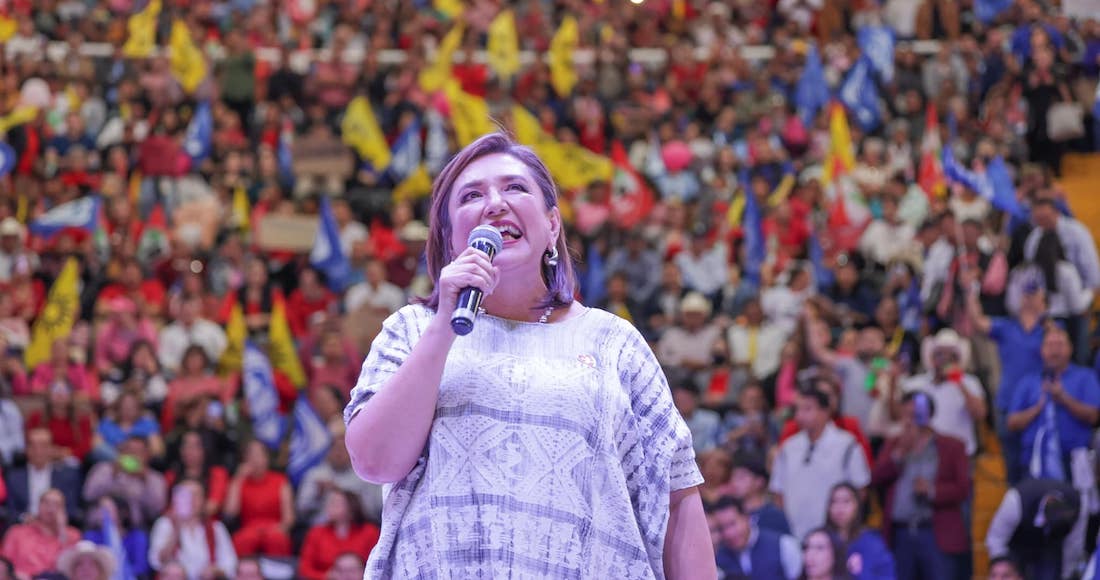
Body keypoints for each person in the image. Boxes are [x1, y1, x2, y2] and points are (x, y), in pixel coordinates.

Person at [344, 134, 712, 578]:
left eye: (515, 188)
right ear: (450, 237)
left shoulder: (614, 343)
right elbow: (374, 461)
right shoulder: (412, 330)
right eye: (471, 196)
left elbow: (676, 494)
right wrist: (444, 326)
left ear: (552, 225)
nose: (495, 204)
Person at [871, 392, 971, 580]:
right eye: (906, 414)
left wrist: (932, 490)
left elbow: (963, 489)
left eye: (915, 414)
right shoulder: (893, 444)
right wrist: (899, 454)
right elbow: (876, 478)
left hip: (935, 533)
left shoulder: (952, 446)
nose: (910, 420)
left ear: (929, 415)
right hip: (900, 533)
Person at [770, 383, 871, 540]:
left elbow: (860, 490)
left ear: (825, 412)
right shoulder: (788, 447)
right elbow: (778, 492)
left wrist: (844, 525)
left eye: (807, 409)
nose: (799, 416)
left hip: (835, 535)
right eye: (797, 409)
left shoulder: (847, 445)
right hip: (794, 533)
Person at [1007, 327, 1100, 481]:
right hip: (1034, 459)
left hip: (1074, 460)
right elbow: (1011, 423)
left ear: (1070, 349)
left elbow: (1093, 416)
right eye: (1049, 345)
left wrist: (1064, 398)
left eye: (1060, 344)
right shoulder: (1028, 381)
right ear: (1041, 350)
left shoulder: (1085, 377)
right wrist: (1036, 409)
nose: (1054, 350)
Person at [985, 478, 1080, 580]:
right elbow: (996, 539)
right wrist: (1003, 571)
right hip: (1016, 545)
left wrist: (1066, 574)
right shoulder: (1015, 501)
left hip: (1052, 547)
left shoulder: (1077, 503)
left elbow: (1074, 542)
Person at [148, 481, 238, 580]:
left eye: (196, 495)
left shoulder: (216, 527)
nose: (191, 500)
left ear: (203, 500)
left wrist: (215, 570)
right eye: (186, 495)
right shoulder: (165, 524)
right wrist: (176, 529)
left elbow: (230, 564)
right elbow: (158, 561)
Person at [222, 440, 294, 557]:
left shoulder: (280, 481)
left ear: (266, 458)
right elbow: (230, 512)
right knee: (242, 540)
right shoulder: (240, 482)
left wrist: (281, 528)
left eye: (258, 455)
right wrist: (237, 480)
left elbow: (289, 518)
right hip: (249, 529)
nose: (255, 460)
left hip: (274, 528)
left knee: (276, 540)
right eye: (250, 455)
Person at [298, 488, 381, 580]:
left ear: (351, 507)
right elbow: (304, 569)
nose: (329, 507)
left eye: (335, 503)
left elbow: (378, 566)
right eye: (329, 503)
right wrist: (326, 576)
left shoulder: (370, 532)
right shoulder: (316, 532)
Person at [712, 496, 802, 579]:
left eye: (732, 524)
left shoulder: (783, 545)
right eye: (721, 528)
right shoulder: (718, 557)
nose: (728, 533)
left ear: (746, 518)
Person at [3, 428, 82, 522]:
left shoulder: (67, 476)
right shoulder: (13, 477)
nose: (38, 451)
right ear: (26, 449)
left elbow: (71, 509)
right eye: (33, 446)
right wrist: (24, 518)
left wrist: (53, 519)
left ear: (52, 448)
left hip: (56, 525)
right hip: (25, 525)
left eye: (43, 446)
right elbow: (10, 511)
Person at [0, 489, 81, 579]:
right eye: (46, 503)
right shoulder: (17, 532)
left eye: (56, 504)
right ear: (38, 506)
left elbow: (71, 569)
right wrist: (15, 575)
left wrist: (62, 530)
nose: (50, 509)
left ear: (63, 510)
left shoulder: (72, 535)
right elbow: (3, 565)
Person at [824, 483, 896, 580]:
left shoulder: (871, 542)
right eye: (834, 501)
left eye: (846, 501)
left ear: (857, 505)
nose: (839, 507)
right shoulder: (820, 541)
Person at [729, 449, 790, 535]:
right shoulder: (732, 515)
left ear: (759, 482)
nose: (734, 482)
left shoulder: (773, 516)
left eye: (741, 477)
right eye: (733, 477)